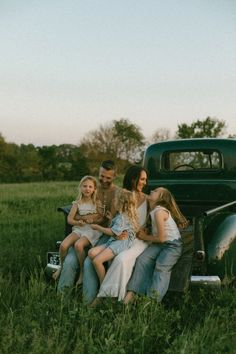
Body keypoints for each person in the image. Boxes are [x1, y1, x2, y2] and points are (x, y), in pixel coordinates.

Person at [83, 165, 149, 303]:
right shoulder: (121, 195)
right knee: (91, 255)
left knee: (120, 259)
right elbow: (113, 220)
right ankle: (98, 292)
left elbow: (153, 219)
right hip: (119, 235)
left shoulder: (148, 199)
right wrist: (115, 231)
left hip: (138, 239)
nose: (144, 182)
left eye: (145, 179)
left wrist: (146, 232)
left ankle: (104, 295)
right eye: (142, 179)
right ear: (133, 179)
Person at [57, 160, 120, 293]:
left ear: (114, 177)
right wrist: (82, 219)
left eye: (108, 178)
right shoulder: (91, 187)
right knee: (69, 261)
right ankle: (61, 299)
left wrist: (107, 219)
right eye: (101, 176)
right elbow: (78, 212)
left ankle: (88, 303)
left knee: (88, 263)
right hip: (84, 230)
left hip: (104, 233)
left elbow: (114, 220)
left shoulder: (118, 193)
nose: (103, 180)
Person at [124, 187, 188, 304]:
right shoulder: (153, 210)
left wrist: (144, 237)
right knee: (142, 260)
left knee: (161, 266)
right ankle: (133, 292)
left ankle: (151, 302)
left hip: (172, 246)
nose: (152, 190)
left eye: (156, 191)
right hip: (159, 244)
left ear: (160, 198)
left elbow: (162, 238)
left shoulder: (159, 212)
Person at [52, 175, 104, 285]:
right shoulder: (77, 203)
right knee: (63, 245)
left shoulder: (97, 202)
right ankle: (61, 267)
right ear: (80, 188)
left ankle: (82, 271)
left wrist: (93, 220)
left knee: (78, 245)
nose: (87, 189)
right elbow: (70, 219)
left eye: (90, 186)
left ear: (94, 189)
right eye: (84, 186)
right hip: (79, 228)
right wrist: (78, 222)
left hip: (91, 230)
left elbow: (101, 217)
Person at [88, 189, 139, 287]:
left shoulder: (122, 217)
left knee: (97, 261)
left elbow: (112, 232)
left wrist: (97, 227)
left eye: (115, 199)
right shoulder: (121, 215)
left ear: (120, 202)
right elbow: (117, 229)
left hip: (120, 242)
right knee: (91, 253)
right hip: (115, 240)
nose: (113, 201)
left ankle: (103, 286)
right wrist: (112, 219)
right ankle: (106, 277)